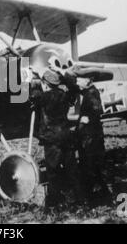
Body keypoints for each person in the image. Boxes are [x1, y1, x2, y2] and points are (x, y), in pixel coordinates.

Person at [30, 68, 83, 207]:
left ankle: (54, 202)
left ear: (45, 83)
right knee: (72, 169)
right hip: (66, 136)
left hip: (51, 138)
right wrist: (64, 78)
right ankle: (79, 198)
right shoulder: (65, 95)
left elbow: (32, 96)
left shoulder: (43, 97)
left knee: (52, 171)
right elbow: (75, 90)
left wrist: (32, 82)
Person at [76, 77, 110, 201]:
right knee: (94, 163)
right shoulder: (89, 91)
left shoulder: (91, 93)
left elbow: (96, 109)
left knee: (90, 163)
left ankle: (95, 194)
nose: (77, 82)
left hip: (90, 136)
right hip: (93, 134)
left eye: (79, 80)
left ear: (87, 81)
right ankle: (99, 191)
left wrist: (87, 118)